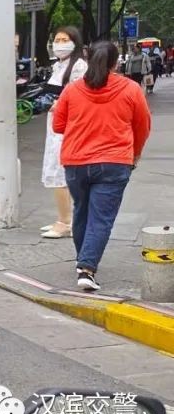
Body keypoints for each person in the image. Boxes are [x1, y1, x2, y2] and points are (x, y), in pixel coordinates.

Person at [52, 40, 151, 291]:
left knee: (82, 211)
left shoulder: (72, 90)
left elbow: (58, 126)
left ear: (88, 57)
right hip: (114, 162)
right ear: (116, 63)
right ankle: (86, 268)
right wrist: (135, 155)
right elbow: (142, 126)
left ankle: (83, 259)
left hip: (76, 162)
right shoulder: (131, 89)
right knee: (101, 218)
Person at [39, 27, 88, 240]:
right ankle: (63, 217)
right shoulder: (58, 66)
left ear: (75, 42)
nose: (59, 43)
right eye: (57, 40)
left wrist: (58, 104)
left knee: (59, 173)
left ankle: (65, 222)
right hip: (55, 124)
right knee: (56, 171)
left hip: (67, 127)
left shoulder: (79, 66)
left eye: (64, 39)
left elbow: (78, 96)